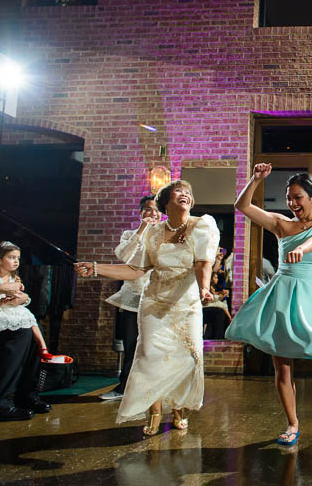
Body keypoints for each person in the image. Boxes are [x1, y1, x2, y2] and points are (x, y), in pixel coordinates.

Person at [75, 180, 220, 435]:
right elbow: (136, 270)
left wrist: (204, 288)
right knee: (150, 357)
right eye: (179, 191)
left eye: (188, 191)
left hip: (186, 303)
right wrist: (96, 268)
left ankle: (178, 408)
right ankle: (154, 411)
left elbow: (203, 263)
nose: (185, 194)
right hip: (153, 303)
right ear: (165, 201)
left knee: (187, 358)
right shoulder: (153, 233)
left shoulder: (202, 225)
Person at [225, 164, 312, 446]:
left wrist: (302, 248)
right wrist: (256, 180)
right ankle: (292, 423)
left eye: (298, 197)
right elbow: (242, 205)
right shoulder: (282, 224)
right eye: (289, 198)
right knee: (282, 366)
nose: (293, 203)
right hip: (282, 296)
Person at [0, 216, 50, 421]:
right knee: (20, 334)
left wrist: (23, 298)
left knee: (29, 330)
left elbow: (6, 290)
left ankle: (26, 396)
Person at [99, 196, 161, 401]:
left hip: (157, 297)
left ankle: (151, 390)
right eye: (148, 210)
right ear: (141, 212)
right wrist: (142, 231)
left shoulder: (164, 235)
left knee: (154, 346)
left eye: (156, 210)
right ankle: (123, 388)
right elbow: (124, 257)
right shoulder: (130, 234)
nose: (153, 214)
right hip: (133, 298)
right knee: (131, 344)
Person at [0, 242, 53, 368]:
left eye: (18, 258)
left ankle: (43, 347)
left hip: (8, 308)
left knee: (30, 318)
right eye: (12, 258)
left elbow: (17, 295)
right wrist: (2, 300)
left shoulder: (14, 277)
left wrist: (15, 297)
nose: (16, 261)